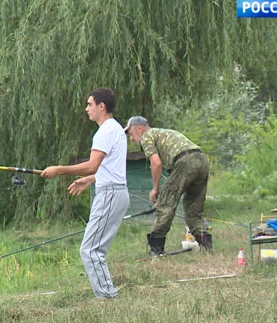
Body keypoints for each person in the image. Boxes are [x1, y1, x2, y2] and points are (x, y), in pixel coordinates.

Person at [41, 88, 129, 299]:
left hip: (109, 195)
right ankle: (107, 296)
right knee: (94, 249)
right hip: (116, 192)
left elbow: (92, 165)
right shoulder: (116, 129)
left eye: (89, 104)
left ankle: (107, 299)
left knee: (90, 250)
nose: (86, 108)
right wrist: (90, 180)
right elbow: (107, 168)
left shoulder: (105, 131)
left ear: (102, 106)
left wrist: (58, 170)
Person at [123, 116, 211, 256]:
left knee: (165, 204)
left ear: (139, 129)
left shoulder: (147, 136)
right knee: (194, 209)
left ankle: (156, 248)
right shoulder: (163, 132)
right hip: (202, 160)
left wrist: (155, 189)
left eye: (131, 134)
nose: (132, 139)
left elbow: (156, 163)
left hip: (185, 162)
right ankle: (206, 246)